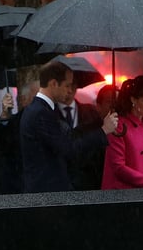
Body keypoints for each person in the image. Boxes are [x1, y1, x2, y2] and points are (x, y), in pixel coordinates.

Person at [20, 60, 118, 193]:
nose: (70, 90)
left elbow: (68, 135)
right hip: (46, 192)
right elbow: (68, 148)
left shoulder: (43, 109)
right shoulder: (41, 112)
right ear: (54, 83)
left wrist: (97, 126)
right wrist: (103, 131)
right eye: (67, 85)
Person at [56, 73, 109, 191]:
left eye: (72, 85)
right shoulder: (48, 114)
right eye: (65, 86)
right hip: (61, 181)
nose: (69, 90)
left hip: (88, 181)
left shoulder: (91, 112)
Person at [0, 82, 37, 195]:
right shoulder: (15, 124)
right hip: (19, 188)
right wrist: (4, 114)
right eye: (38, 98)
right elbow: (0, 143)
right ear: (24, 99)